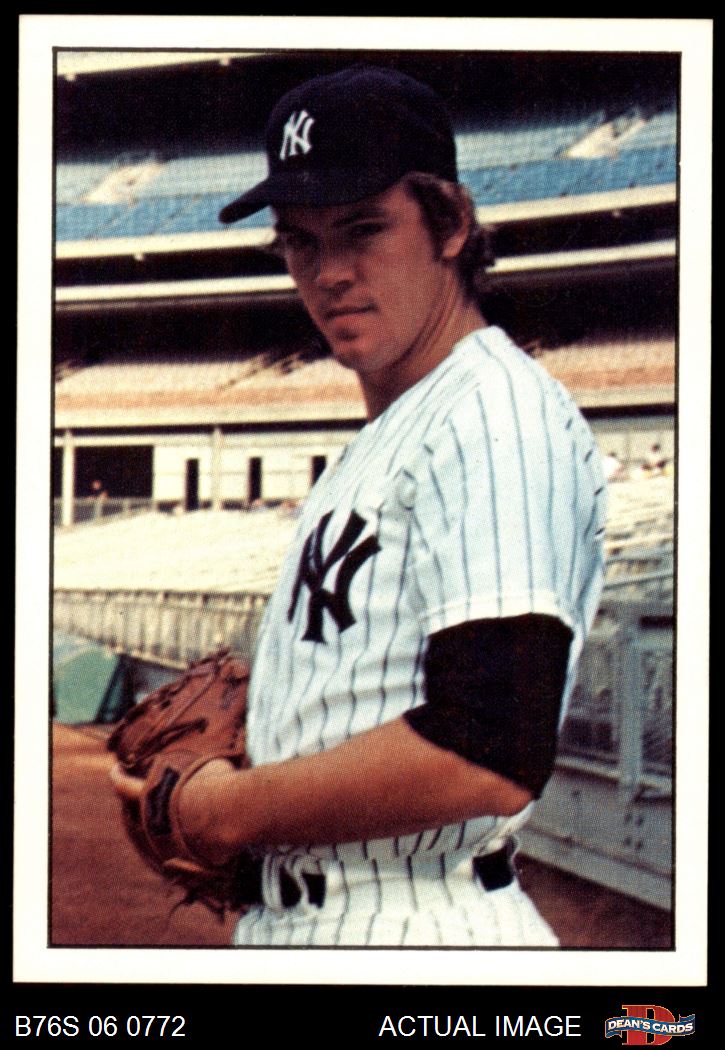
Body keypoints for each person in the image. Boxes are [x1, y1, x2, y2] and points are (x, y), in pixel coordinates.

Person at [112, 65, 606, 946]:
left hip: (418, 928)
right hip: (323, 915)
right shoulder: (394, 430)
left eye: (363, 229)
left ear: (450, 225)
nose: (329, 272)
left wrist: (224, 809)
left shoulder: (493, 412)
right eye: (300, 242)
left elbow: (488, 752)